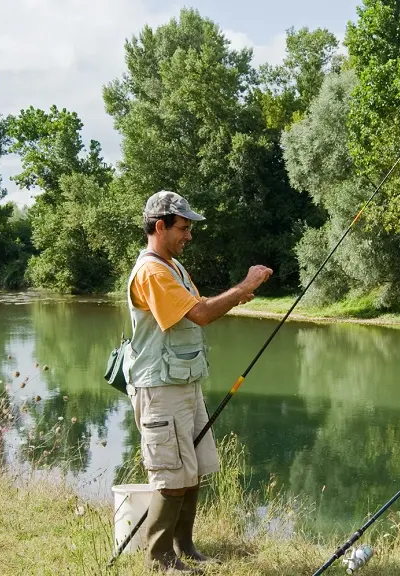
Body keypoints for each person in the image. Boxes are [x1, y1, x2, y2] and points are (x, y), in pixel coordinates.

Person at [124, 190, 272, 572]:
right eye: (183, 228)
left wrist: (238, 296)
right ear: (160, 226)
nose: (189, 235)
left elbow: (196, 306)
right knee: (171, 475)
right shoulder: (151, 271)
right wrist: (242, 285)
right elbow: (202, 314)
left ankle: (185, 548)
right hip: (159, 389)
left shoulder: (172, 267)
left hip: (183, 384)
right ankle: (159, 559)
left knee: (191, 472)